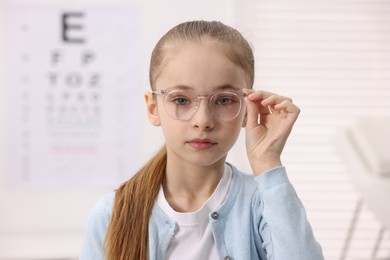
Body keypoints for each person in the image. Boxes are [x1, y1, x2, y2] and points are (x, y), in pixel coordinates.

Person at [80, 20, 324, 260]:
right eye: (181, 100)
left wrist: (267, 160)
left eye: (224, 100)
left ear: (247, 109)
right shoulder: (112, 215)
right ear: (153, 108)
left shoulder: (264, 204)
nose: (203, 120)